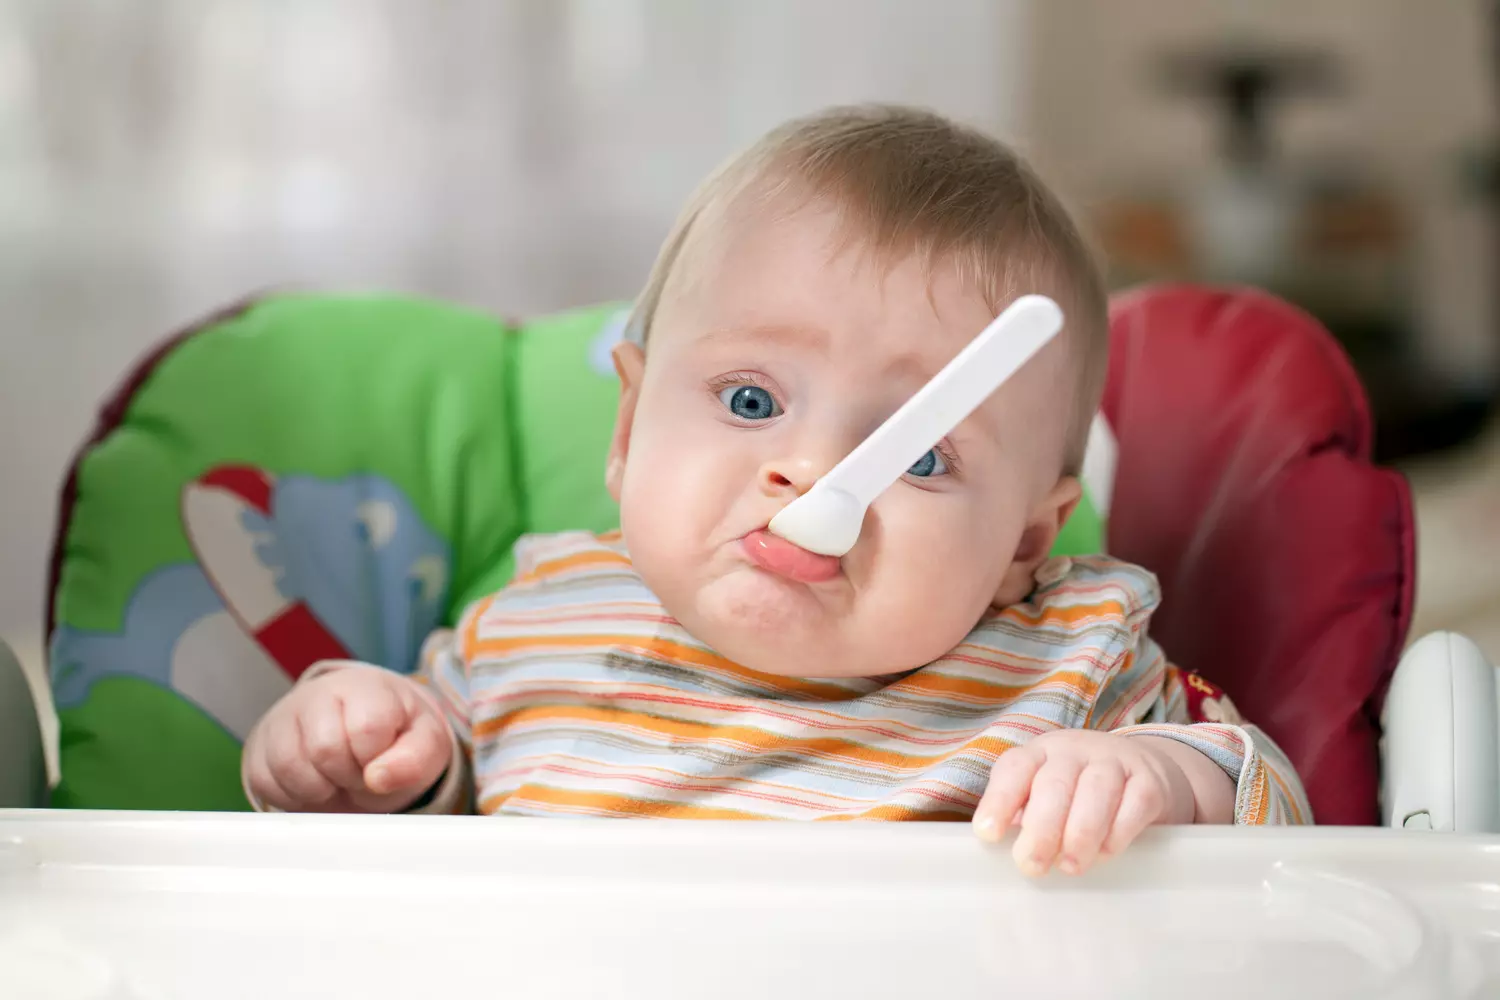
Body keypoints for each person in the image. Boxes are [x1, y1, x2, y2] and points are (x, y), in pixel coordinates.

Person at [242, 104, 1310, 876]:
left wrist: (1165, 780)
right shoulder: (536, 626)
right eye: (752, 401)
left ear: (1025, 543)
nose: (812, 469)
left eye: (921, 454)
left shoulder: (1064, 663)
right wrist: (366, 750)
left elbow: (1279, 811)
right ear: (626, 428)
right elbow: (405, 843)